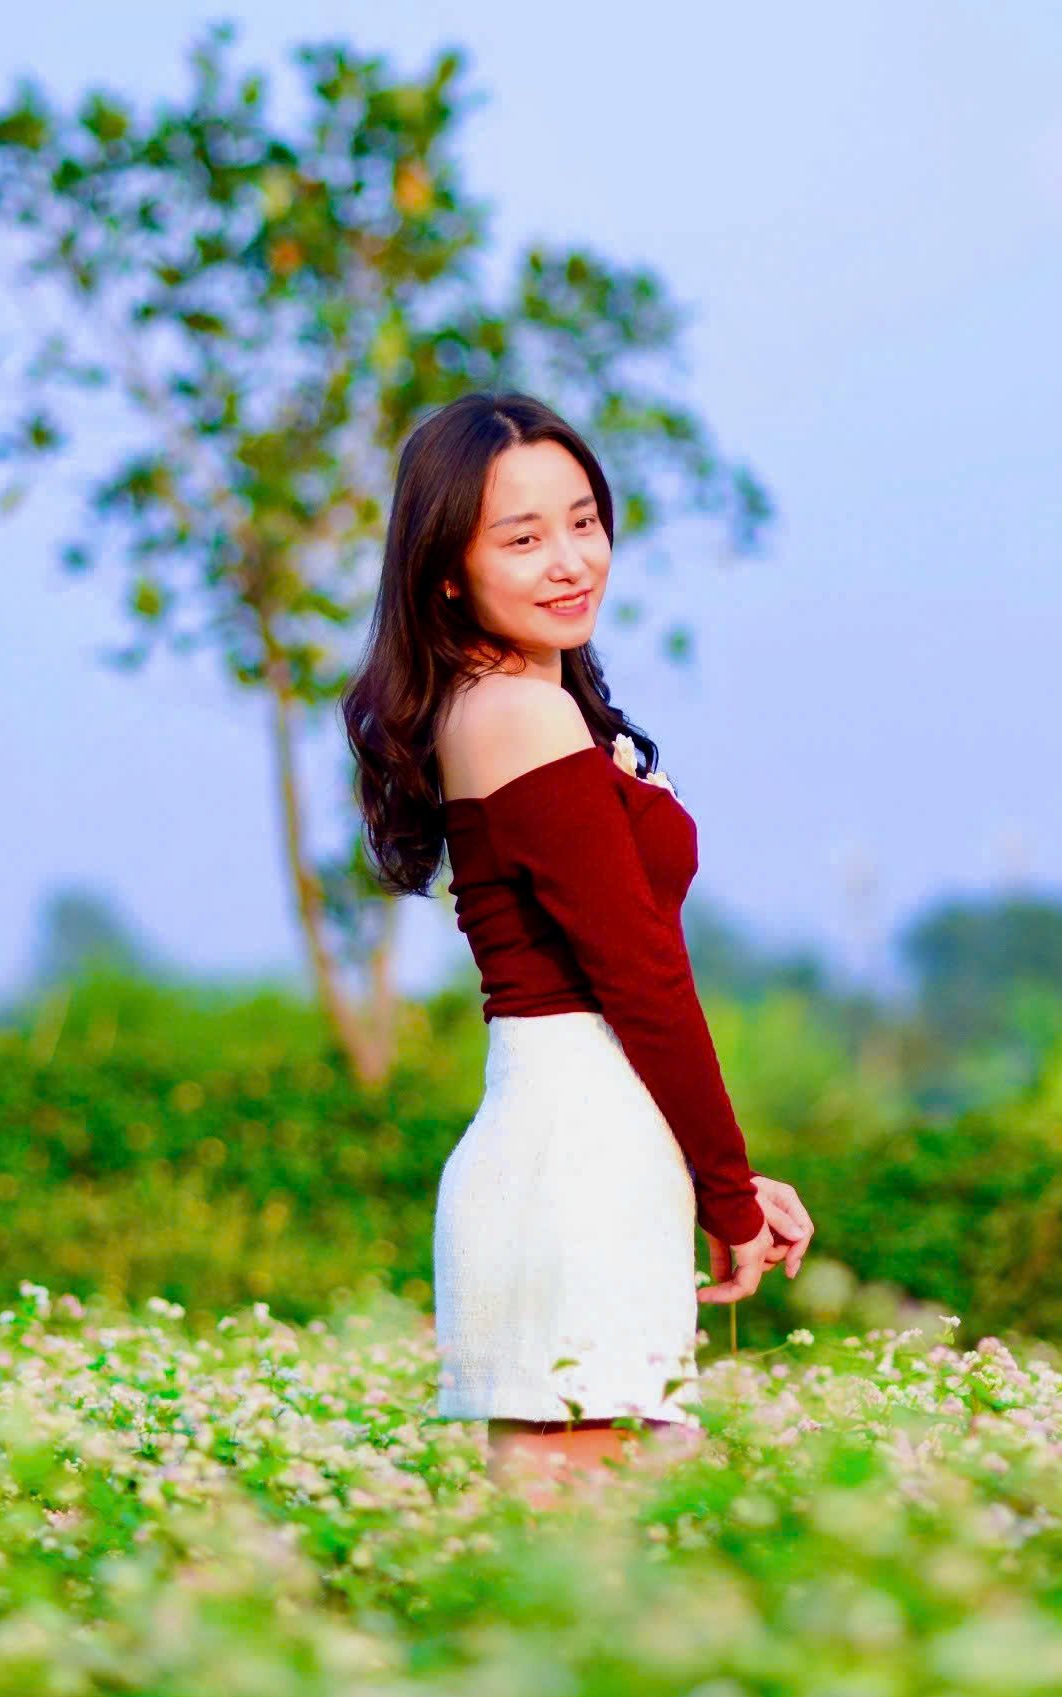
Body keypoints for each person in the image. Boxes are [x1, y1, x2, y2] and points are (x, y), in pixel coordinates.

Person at [342, 390, 816, 1505]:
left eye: (584, 520)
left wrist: (722, 1175)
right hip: (574, 1167)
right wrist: (730, 1195)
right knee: (588, 1581)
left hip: (588, 1154)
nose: (570, 561)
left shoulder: (525, 702)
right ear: (446, 571)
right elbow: (641, 978)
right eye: (522, 537)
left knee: (605, 1582)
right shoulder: (515, 712)